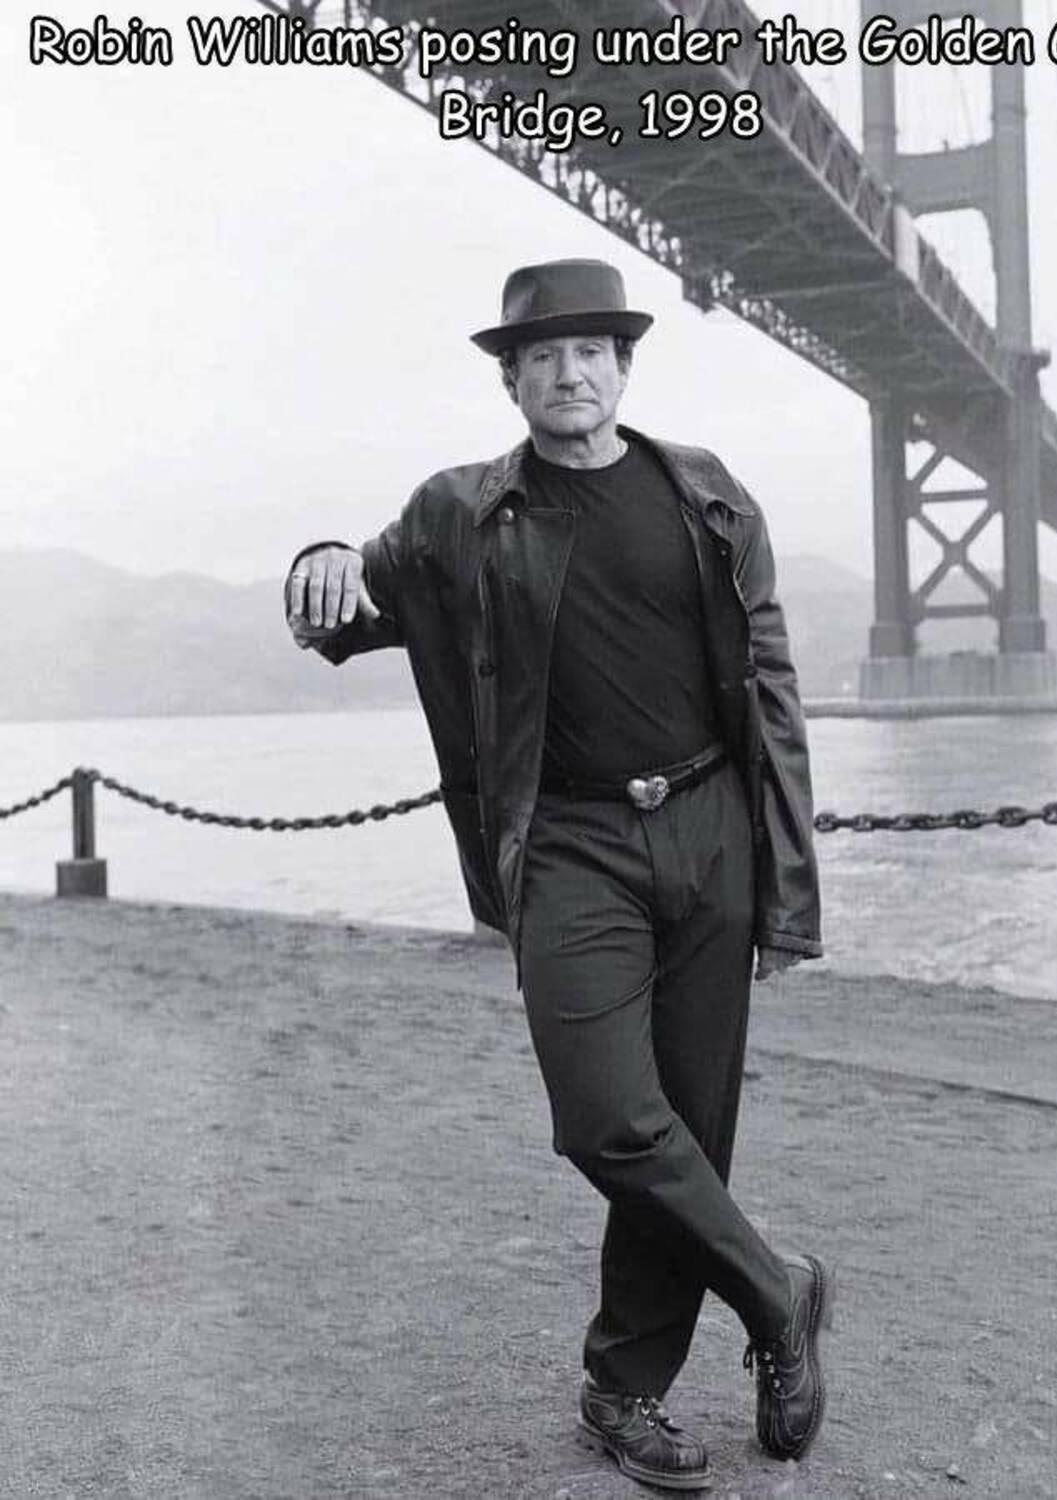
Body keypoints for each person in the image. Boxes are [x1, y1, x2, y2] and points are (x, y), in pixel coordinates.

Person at [285, 258, 831, 1493]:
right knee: (605, 1118)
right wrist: (316, 558)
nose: (568, 373)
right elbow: (343, 604)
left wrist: (788, 888)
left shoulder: (708, 495)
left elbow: (774, 692)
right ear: (514, 380)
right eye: (542, 357)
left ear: (624, 370)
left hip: (709, 833)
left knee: (690, 1128)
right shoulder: (460, 514)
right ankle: (777, 1290)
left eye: (591, 352)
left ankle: (623, 1391)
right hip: (570, 846)